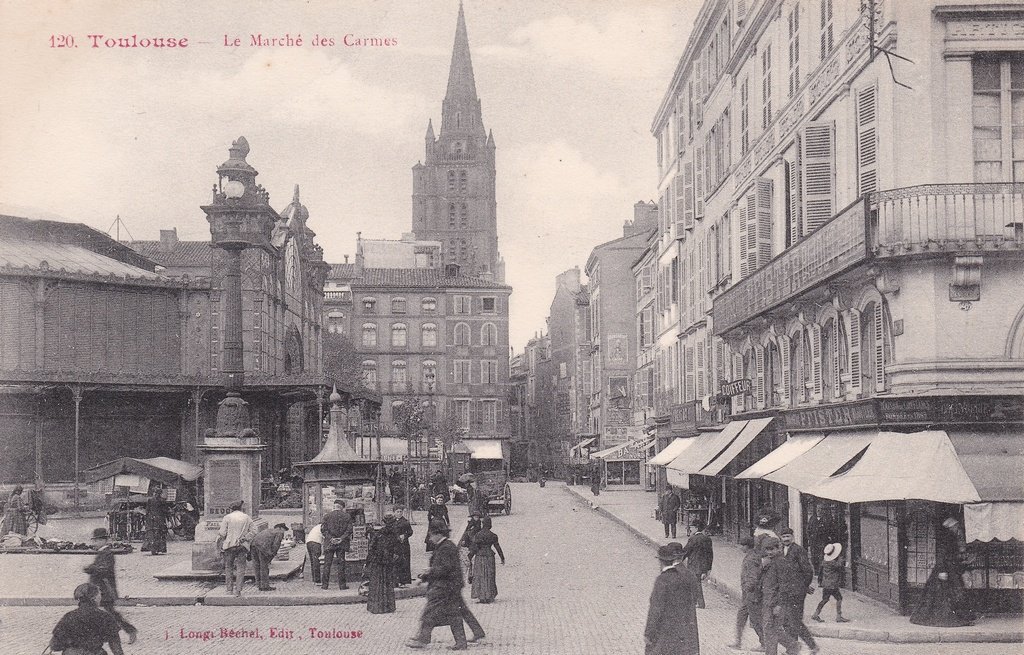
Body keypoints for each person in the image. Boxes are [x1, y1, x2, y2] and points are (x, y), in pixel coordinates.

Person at [406, 520, 486, 651]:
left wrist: (429, 572)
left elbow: (444, 568)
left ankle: (423, 638)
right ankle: (467, 638)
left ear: (438, 534)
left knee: (430, 611)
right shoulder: (444, 545)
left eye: (431, 535)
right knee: (457, 612)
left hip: (445, 586)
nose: (430, 538)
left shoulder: (446, 547)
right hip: (451, 585)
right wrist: (426, 575)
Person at [910, 517, 977, 627]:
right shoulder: (948, 537)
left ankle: (962, 618)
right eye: (956, 526)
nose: (957, 528)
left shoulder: (950, 537)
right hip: (947, 570)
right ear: (951, 527)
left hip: (950, 569)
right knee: (950, 594)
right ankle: (955, 618)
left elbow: (949, 554)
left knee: (953, 593)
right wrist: (942, 570)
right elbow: (942, 554)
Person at [644, 542, 705, 655]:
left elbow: (656, 609)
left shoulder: (662, 580)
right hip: (685, 629)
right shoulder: (688, 575)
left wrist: (649, 633)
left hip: (665, 631)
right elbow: (694, 597)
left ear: (660, 561)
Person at [84, 527, 138, 645]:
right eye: (94, 541)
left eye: (97, 541)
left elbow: (103, 570)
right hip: (99, 590)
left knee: (111, 614)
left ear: (104, 541)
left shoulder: (108, 554)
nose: (95, 543)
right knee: (102, 613)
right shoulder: (102, 553)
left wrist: (90, 569)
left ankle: (130, 630)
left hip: (106, 590)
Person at [49, 583, 125, 655]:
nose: (101, 597)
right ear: (94, 598)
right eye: (99, 594)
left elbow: (54, 645)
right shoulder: (105, 616)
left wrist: (72, 645)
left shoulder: (68, 616)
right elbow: (116, 646)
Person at [759, 537, 802, 655]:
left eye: (772, 549)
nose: (769, 552)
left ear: (779, 548)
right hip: (768, 600)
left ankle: (776, 651)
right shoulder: (770, 562)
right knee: (772, 629)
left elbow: (784, 586)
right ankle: (793, 645)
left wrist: (778, 604)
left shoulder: (781, 563)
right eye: (767, 550)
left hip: (776, 602)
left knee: (770, 629)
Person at [780, 527, 817, 654]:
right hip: (784, 591)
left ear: (792, 537)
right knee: (785, 620)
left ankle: (812, 646)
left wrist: (803, 587)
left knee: (794, 620)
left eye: (788, 536)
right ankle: (793, 647)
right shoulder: (780, 550)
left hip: (796, 593)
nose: (786, 539)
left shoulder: (799, 550)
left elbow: (808, 571)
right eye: (783, 537)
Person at [728, 536, 764, 652]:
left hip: (751, 595)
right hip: (748, 595)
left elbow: (753, 578)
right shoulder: (752, 556)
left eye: (742, 545)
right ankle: (738, 642)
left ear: (746, 546)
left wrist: (748, 590)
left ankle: (765, 643)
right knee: (743, 618)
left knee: (756, 620)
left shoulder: (751, 559)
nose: (740, 547)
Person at [217, 499, 255, 597]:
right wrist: (245, 538)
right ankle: (238, 590)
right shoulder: (246, 517)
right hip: (242, 546)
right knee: (241, 568)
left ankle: (229, 589)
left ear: (231, 509)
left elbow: (222, 533)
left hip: (229, 546)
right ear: (240, 508)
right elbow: (254, 530)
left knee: (228, 567)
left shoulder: (227, 517)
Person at [366, 513, 399, 614]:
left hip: (378, 561)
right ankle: (388, 607)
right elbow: (396, 549)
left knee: (377, 583)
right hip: (387, 561)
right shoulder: (394, 533)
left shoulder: (379, 533)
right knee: (387, 583)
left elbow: (372, 547)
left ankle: (376, 607)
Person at [812, 542, 850, 623]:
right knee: (839, 598)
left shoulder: (824, 561)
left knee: (825, 599)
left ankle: (816, 614)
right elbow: (840, 565)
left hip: (826, 584)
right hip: (832, 585)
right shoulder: (833, 563)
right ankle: (839, 617)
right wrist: (841, 557)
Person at [471, 515, 505, 603]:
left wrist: (469, 557)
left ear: (482, 524)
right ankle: (489, 595)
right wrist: (502, 557)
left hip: (480, 556)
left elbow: (475, 547)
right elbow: (497, 547)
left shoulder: (478, 535)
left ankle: (481, 596)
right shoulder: (493, 535)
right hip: (490, 556)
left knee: (480, 576)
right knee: (489, 576)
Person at [321, 499, 354, 590]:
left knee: (327, 564)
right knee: (341, 564)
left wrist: (331, 538)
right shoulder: (347, 516)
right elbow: (349, 530)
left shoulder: (327, 516)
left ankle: (324, 585)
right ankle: (342, 586)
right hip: (341, 543)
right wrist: (341, 538)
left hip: (330, 543)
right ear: (342, 507)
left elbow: (323, 530)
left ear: (334, 506)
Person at [251, 523, 287, 591]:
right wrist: (272, 554)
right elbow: (276, 544)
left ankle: (258, 584)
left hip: (253, 545)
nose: (284, 532)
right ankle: (265, 586)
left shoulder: (267, 530)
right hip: (263, 547)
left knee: (257, 566)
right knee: (264, 567)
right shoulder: (279, 532)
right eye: (284, 530)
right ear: (280, 528)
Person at [458, 512, 483, 584]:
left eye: (477, 517)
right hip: (471, 544)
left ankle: (472, 575)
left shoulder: (479, 524)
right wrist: (464, 540)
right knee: (469, 560)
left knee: (473, 560)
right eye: (475, 517)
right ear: (473, 517)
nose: (476, 518)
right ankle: (470, 575)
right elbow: (466, 532)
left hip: (476, 544)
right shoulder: (470, 524)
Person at [144, 486, 169, 555]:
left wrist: (147, 518)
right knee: (159, 533)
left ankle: (153, 548)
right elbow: (165, 510)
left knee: (152, 533)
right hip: (159, 519)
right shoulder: (162, 501)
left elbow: (147, 510)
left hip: (152, 519)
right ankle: (158, 548)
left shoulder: (150, 500)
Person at [394, 508, 414, 587]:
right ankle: (395, 581)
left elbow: (410, 532)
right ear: (394, 512)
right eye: (397, 512)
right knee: (395, 562)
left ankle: (403, 581)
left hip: (403, 545)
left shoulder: (405, 522)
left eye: (400, 512)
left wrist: (405, 536)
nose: (399, 513)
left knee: (404, 562)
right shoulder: (392, 521)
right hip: (395, 544)